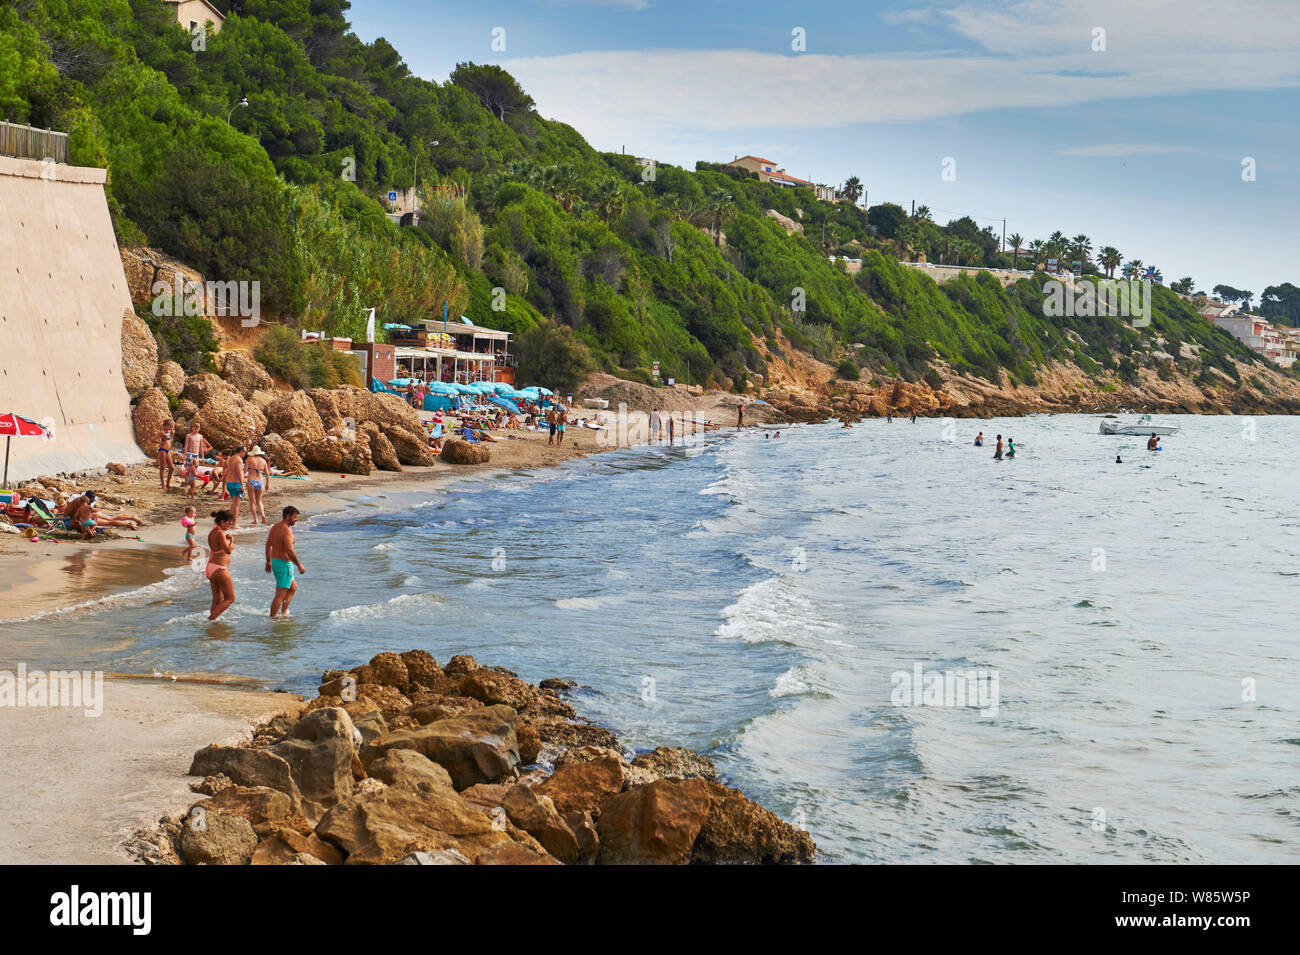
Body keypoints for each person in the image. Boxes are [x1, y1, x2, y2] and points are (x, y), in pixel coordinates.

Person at [266, 505, 305, 617]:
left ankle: (284, 613)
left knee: (293, 588)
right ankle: (272, 619)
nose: (297, 519)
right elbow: (290, 551)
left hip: (276, 562)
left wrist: (268, 561)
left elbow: (268, 544)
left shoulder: (275, 527)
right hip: (284, 565)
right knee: (280, 594)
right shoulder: (286, 531)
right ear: (287, 516)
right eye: (295, 517)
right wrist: (299, 565)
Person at [206, 510, 236, 620]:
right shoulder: (220, 533)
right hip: (220, 569)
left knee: (217, 598)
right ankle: (210, 620)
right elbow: (228, 550)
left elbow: (217, 547)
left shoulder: (212, 532)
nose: (231, 525)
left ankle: (212, 626)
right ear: (222, 522)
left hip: (211, 567)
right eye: (229, 523)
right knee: (230, 598)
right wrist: (232, 540)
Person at [246, 445, 270, 525]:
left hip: (251, 480)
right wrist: (267, 484)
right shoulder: (263, 461)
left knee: (252, 502)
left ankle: (255, 519)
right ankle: (263, 515)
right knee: (259, 501)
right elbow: (267, 473)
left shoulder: (249, 459)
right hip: (260, 481)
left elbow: (244, 471)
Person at [224, 448, 247, 526]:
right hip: (236, 484)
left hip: (229, 483)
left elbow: (227, 471)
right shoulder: (239, 460)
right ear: (241, 451)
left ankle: (229, 522)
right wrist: (242, 484)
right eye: (245, 452)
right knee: (236, 505)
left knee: (233, 504)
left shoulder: (230, 459)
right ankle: (234, 524)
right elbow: (239, 473)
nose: (245, 453)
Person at [156, 419, 175, 491]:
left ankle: (168, 483)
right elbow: (152, 439)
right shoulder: (162, 432)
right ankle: (163, 485)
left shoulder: (168, 432)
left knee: (172, 468)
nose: (172, 428)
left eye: (172, 426)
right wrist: (159, 443)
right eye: (171, 426)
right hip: (162, 450)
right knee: (162, 467)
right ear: (166, 426)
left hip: (167, 451)